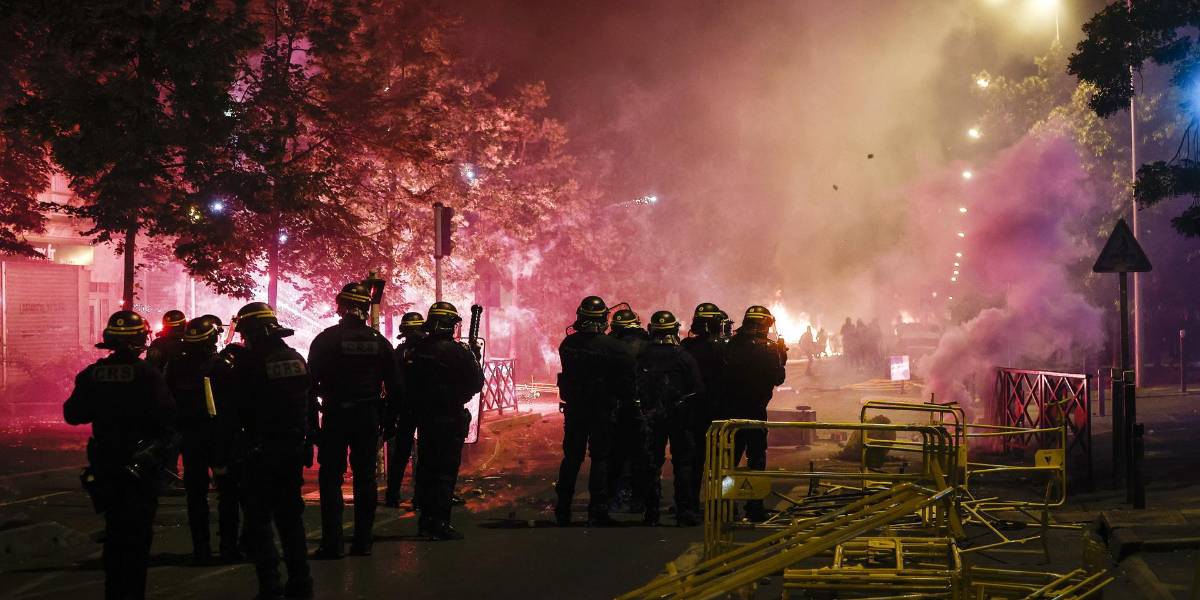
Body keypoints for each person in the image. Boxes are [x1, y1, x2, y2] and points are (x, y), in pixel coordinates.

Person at [64, 310, 176, 600]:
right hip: (141, 468)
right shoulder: (148, 375)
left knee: (114, 535)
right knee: (137, 540)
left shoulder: (92, 374)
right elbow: (167, 420)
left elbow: (73, 414)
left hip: (106, 466)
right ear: (141, 340)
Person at [228, 302, 313, 598]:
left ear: (252, 332)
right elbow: (308, 402)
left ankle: (270, 586)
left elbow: (237, 408)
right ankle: (301, 583)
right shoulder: (295, 358)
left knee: (259, 521)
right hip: (292, 448)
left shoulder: (249, 364)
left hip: (260, 451)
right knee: (291, 520)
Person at [308, 282, 400, 558]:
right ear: (365, 308)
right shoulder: (379, 342)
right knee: (365, 477)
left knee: (330, 477)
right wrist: (389, 422)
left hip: (335, 415)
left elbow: (309, 387)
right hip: (367, 416)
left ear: (341, 307)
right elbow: (396, 388)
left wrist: (312, 426)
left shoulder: (325, 340)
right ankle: (363, 542)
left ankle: (332, 543)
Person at [400, 302, 484, 540]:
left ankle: (425, 521)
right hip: (449, 417)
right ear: (450, 325)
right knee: (445, 472)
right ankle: (440, 523)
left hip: (426, 418)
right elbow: (476, 383)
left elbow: (407, 383)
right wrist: (473, 358)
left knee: (427, 468)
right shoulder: (459, 352)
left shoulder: (417, 350)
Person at [163, 315, 241, 563]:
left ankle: (201, 549)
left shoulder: (174, 366)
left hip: (190, 438)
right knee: (228, 494)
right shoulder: (223, 366)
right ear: (212, 339)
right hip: (220, 438)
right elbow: (236, 403)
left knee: (196, 496)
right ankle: (228, 547)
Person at [555, 296, 635, 526]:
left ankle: (562, 509)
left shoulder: (568, 344)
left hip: (575, 409)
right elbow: (627, 381)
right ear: (603, 319)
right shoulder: (615, 347)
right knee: (600, 458)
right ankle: (597, 511)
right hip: (602, 410)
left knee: (572, 458)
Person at [638, 311, 704, 527]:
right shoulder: (683, 356)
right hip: (679, 417)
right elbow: (698, 388)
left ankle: (651, 513)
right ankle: (684, 511)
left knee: (652, 463)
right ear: (674, 330)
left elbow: (633, 384)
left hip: (651, 417)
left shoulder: (642, 355)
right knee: (683, 463)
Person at [723, 305, 787, 522]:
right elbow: (778, 378)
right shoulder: (768, 348)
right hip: (755, 411)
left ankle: (726, 505)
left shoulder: (731, 344)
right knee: (756, 460)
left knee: (729, 461)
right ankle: (754, 506)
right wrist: (781, 356)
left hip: (730, 411)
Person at [680, 302, 728, 514]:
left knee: (692, 460)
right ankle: (721, 503)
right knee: (721, 462)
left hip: (691, 410)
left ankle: (688, 503)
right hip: (718, 412)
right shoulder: (724, 348)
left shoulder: (686, 346)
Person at [606, 308, 651, 514]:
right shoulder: (646, 345)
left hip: (614, 406)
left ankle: (613, 498)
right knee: (640, 454)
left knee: (615, 455)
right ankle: (639, 499)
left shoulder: (607, 345)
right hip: (640, 407)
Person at [385, 311, 426, 508]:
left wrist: (390, 413)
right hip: (426, 407)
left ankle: (392, 495)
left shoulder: (398, 353)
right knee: (426, 454)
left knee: (400, 454)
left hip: (404, 408)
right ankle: (421, 497)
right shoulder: (431, 351)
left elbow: (391, 382)